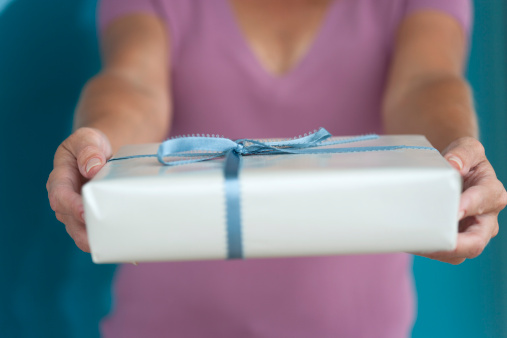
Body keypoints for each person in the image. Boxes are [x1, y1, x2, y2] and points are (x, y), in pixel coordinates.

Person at [46, 0, 507, 337]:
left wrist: (456, 155)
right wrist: (99, 141)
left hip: (358, 324)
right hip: (165, 320)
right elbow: (133, 82)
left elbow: (426, 82)